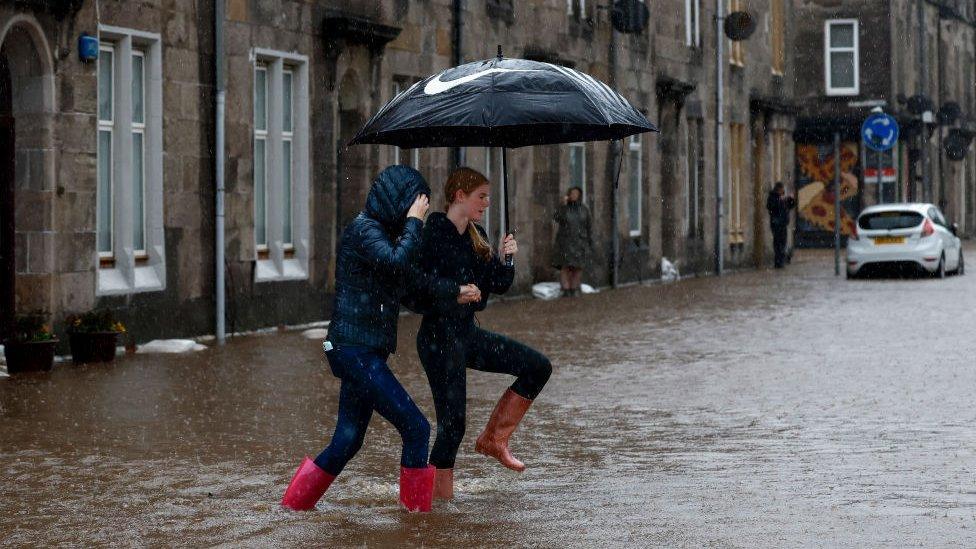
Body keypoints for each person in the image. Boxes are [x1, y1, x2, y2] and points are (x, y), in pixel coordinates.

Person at [280, 165, 435, 513]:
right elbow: (396, 264)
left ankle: (292, 509)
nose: (420, 211)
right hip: (354, 351)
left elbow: (406, 285)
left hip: (359, 351)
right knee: (417, 428)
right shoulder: (364, 231)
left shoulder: (381, 236)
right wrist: (414, 223)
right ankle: (416, 523)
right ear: (400, 201)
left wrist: (454, 294)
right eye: (417, 204)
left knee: (347, 440)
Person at [415, 167, 553, 501]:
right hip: (438, 338)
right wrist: (455, 291)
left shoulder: (476, 237)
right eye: (481, 196)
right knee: (453, 425)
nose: (487, 203)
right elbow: (416, 287)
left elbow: (499, 284)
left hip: (467, 334)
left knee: (538, 366)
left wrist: (507, 259)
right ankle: (438, 506)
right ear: (459, 196)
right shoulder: (432, 231)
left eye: (489, 196)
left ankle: (495, 438)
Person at [552, 186, 593, 297]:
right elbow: (557, 218)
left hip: (580, 242)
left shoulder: (584, 209)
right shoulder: (564, 208)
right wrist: (563, 206)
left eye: (576, 193)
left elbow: (589, 226)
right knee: (565, 266)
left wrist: (589, 241)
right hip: (565, 242)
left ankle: (574, 288)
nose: (574, 195)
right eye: (572, 193)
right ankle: (566, 289)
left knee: (578, 266)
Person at [766, 181, 796, 269]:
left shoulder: (782, 198)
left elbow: (790, 206)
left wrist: (790, 199)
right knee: (778, 243)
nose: (783, 191)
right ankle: (778, 262)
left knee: (782, 243)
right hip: (777, 224)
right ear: (779, 189)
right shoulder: (773, 198)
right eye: (782, 189)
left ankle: (781, 261)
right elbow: (772, 207)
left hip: (783, 224)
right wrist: (781, 201)